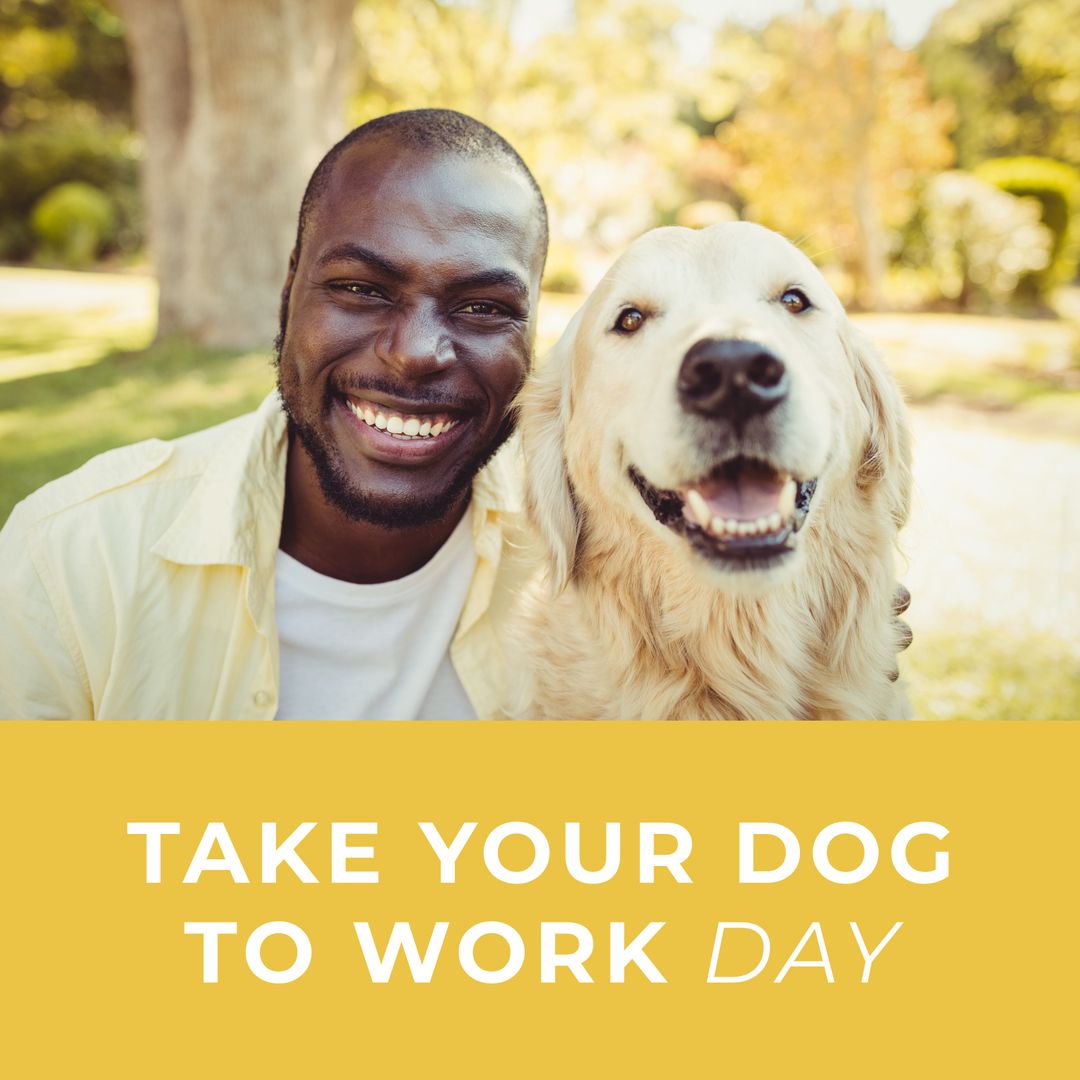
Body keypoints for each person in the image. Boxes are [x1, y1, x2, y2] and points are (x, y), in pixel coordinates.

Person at [0, 109, 546, 719]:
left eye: (482, 307)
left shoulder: (593, 560)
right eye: (361, 289)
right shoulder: (73, 560)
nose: (415, 353)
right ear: (289, 292)